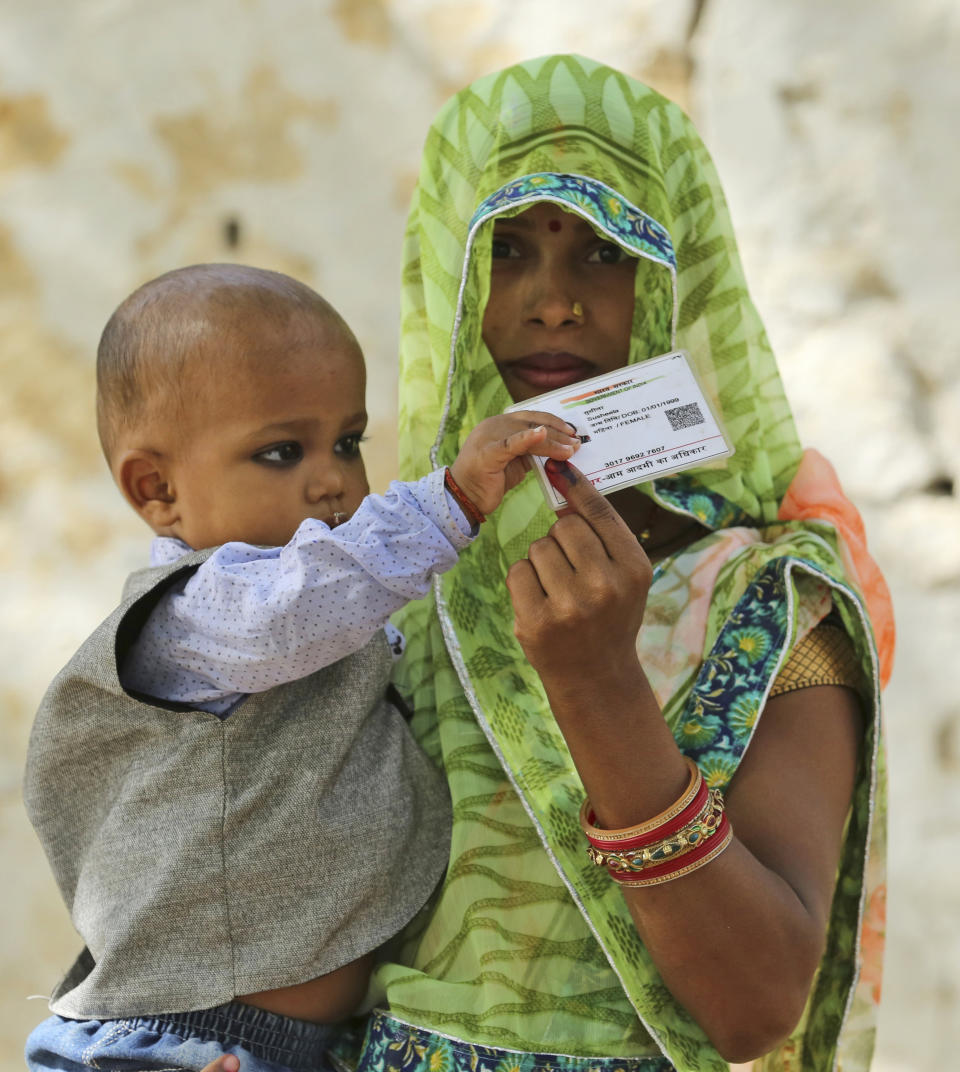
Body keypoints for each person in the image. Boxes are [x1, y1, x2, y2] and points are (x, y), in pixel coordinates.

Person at [347, 54, 892, 1072]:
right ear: (448, 281)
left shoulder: (765, 595)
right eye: (505, 251)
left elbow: (756, 1003)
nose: (553, 303)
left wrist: (597, 679)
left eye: (603, 252)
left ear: (677, 280)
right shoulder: (388, 577)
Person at [23, 264, 582, 1072]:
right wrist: (449, 502)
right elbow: (302, 607)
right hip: (184, 1043)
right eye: (281, 452)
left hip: (300, 1047)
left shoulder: (325, 616)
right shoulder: (198, 616)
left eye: (348, 442)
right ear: (158, 490)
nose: (332, 480)